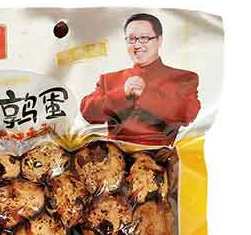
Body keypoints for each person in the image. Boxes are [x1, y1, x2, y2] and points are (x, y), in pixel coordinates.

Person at [80, 13, 201, 146]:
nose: (137, 45)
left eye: (144, 38)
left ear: (159, 40)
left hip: (162, 156)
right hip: (115, 156)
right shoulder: (109, 79)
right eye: (131, 39)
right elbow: (88, 113)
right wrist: (122, 94)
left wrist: (145, 94)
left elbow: (187, 115)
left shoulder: (184, 78)